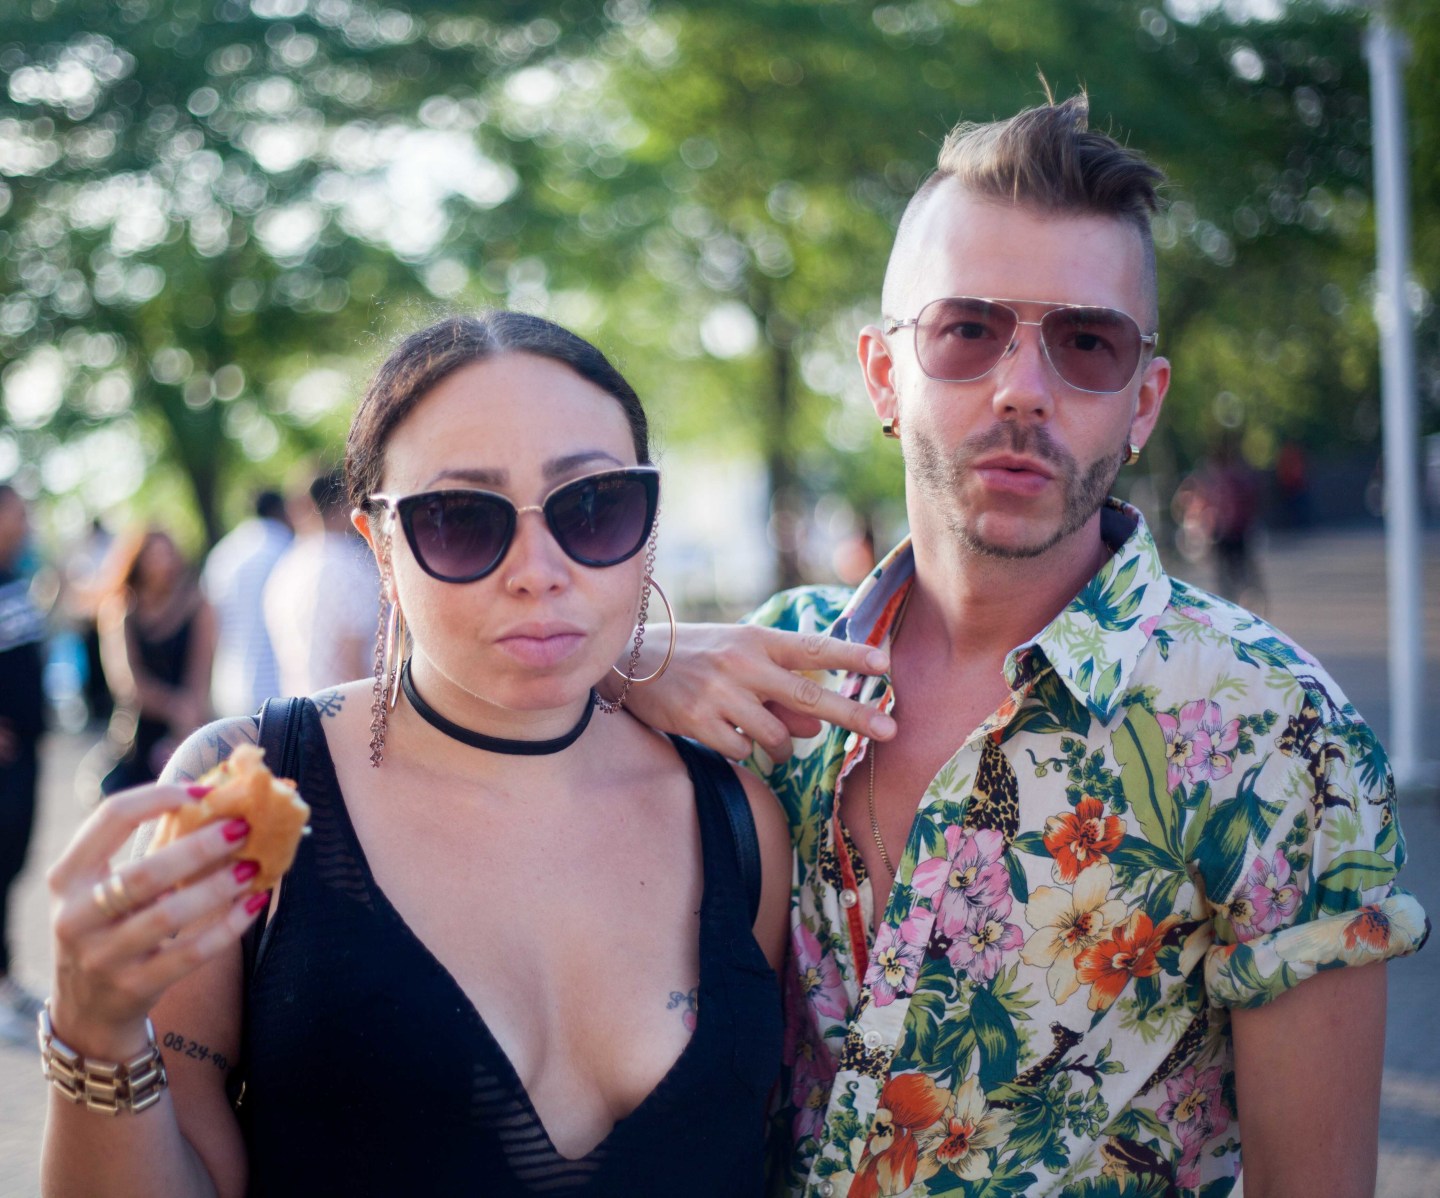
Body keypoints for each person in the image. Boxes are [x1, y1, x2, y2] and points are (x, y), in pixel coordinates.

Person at [626, 95, 1429, 1197]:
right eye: (967, 330)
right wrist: (627, 659)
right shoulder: (777, 663)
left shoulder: (1274, 728)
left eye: (1086, 344)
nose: (1023, 388)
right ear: (881, 374)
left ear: (1143, 403)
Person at [40, 312, 791, 1196]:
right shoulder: (245, 793)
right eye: (461, 520)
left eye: (594, 506)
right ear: (380, 550)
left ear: (648, 518)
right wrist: (94, 1037)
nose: (538, 568)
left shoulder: (741, 824)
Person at [95, 529, 217, 794]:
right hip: (138, 732)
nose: (163, 563)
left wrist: (187, 718)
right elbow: (127, 683)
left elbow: (200, 673)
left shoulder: (196, 605)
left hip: (188, 726)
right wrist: (173, 707)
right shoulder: (121, 608)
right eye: (154, 556)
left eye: (167, 554)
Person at [0, 483, 48, 1045]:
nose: (26, 519)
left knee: (11, 864)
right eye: (17, 511)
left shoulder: (15, 575)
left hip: (27, 755)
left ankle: (5, 975)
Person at [262, 469, 379, 696]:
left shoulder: (287, 566)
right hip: (347, 711)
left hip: (301, 709)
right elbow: (353, 656)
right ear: (345, 503)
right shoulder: (351, 565)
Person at [201, 490, 293, 717]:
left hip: (228, 686)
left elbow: (209, 623)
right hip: (277, 689)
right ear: (281, 511)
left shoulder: (223, 553)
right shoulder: (287, 547)